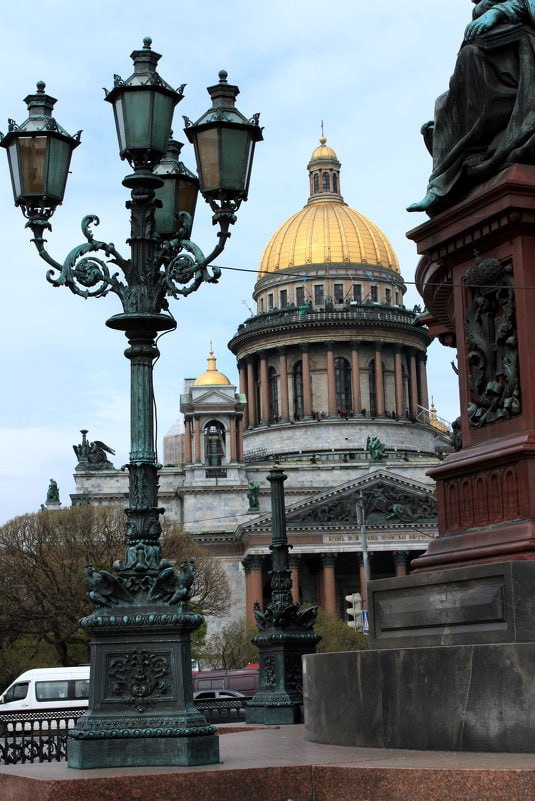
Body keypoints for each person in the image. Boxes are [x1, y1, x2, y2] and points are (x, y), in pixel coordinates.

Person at [408, 0, 535, 214]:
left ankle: (444, 179)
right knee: (443, 104)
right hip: (494, 59)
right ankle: (440, 182)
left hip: (521, 57)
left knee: (471, 56)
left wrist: (497, 12)